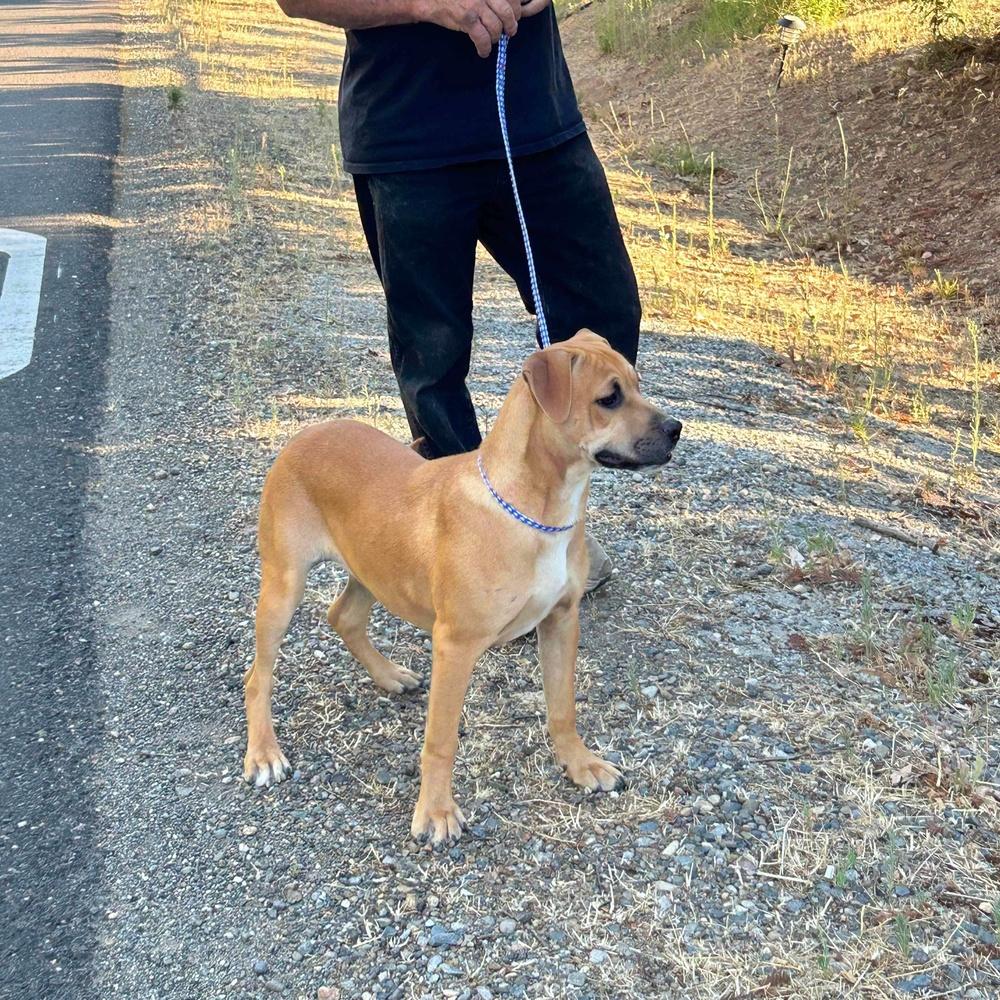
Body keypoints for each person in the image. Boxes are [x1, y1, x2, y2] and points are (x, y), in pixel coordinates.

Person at [276, 0, 642, 589]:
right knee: (433, 361)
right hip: (405, 134)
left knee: (605, 312)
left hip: (535, 121)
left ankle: (545, 513)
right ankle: (479, 545)